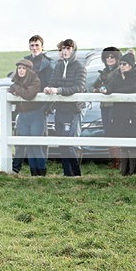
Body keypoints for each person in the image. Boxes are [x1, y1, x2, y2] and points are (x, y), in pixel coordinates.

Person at [44, 39, 87, 177]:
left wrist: (59, 90)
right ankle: (67, 173)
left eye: (68, 48)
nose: (65, 51)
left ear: (73, 50)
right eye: (63, 48)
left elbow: (79, 87)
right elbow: (53, 82)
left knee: (69, 144)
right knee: (61, 143)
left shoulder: (80, 67)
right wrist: (48, 88)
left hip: (73, 110)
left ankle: (76, 174)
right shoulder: (59, 66)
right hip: (60, 109)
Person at [12, 35, 55, 173]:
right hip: (25, 110)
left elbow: (49, 83)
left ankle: (41, 171)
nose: (34, 48)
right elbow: (14, 82)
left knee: (39, 143)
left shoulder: (48, 63)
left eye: (37, 45)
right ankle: (29, 171)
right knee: (28, 144)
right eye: (32, 45)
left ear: (42, 46)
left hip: (40, 107)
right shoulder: (25, 62)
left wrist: (47, 107)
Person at [101, 52, 136, 176]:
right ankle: (124, 172)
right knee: (124, 145)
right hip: (119, 113)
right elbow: (109, 87)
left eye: (124, 64)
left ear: (130, 65)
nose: (122, 66)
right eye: (120, 64)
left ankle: (133, 172)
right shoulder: (117, 75)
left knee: (134, 144)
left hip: (132, 113)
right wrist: (106, 89)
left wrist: (115, 91)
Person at [9, 59, 46, 175]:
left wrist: (17, 90)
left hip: (36, 115)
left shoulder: (35, 80)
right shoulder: (16, 81)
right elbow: (12, 88)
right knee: (28, 145)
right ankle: (33, 173)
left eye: (24, 68)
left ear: (29, 70)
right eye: (19, 68)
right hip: (23, 116)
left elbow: (29, 95)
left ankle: (42, 172)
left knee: (36, 146)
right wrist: (17, 89)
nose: (21, 70)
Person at [92, 47, 122, 169]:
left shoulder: (120, 71)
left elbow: (112, 87)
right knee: (108, 132)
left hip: (115, 107)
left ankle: (118, 161)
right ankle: (114, 160)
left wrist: (103, 88)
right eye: (107, 57)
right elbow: (94, 86)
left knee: (115, 133)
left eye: (112, 56)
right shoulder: (103, 72)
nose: (109, 59)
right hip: (104, 106)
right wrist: (99, 89)